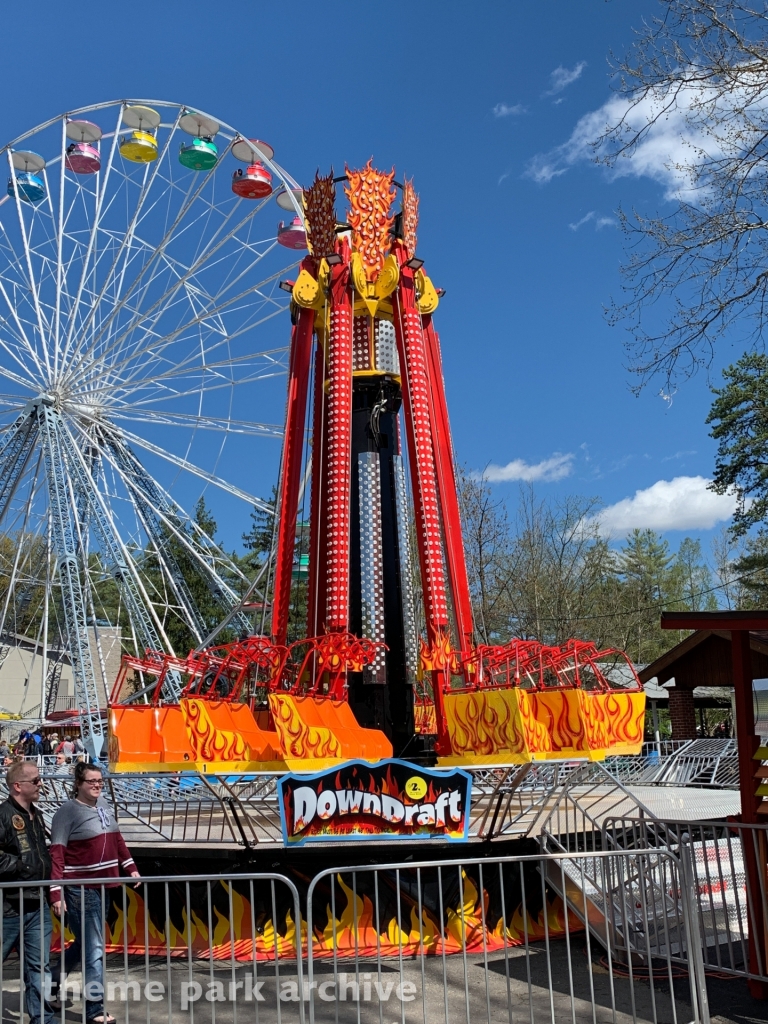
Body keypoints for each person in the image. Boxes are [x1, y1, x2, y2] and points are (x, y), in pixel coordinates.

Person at [50, 763, 139, 1024]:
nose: (97, 785)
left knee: (88, 945)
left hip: (105, 886)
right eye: (91, 781)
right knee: (95, 949)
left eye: (100, 781)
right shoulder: (66, 812)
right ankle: (95, 1009)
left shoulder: (104, 807)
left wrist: (130, 866)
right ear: (78, 783)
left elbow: (117, 839)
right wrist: (56, 891)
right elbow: (57, 852)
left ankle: (53, 980)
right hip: (79, 889)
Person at [0, 761, 54, 1024]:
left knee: (39, 967)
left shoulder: (36, 814)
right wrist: (22, 867)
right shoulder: (3, 814)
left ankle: (43, 1018)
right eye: (36, 780)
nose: (40, 784)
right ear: (17, 786)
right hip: (8, 907)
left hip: (37, 903)